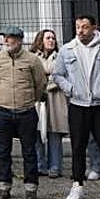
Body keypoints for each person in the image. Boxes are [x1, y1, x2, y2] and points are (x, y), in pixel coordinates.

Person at [53, 15, 100, 199]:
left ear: (94, 28)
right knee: (78, 146)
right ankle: (77, 184)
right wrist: (70, 89)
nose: (80, 30)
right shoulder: (67, 49)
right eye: (78, 26)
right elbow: (58, 74)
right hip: (78, 105)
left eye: (85, 27)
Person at [0, 26, 48, 199]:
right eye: (4, 37)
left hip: (26, 112)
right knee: (3, 151)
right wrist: (1, 98)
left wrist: (29, 100)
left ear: (20, 40)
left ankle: (31, 188)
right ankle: (4, 186)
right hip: (3, 111)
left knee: (29, 151)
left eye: (10, 37)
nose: (6, 41)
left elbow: (40, 84)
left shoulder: (32, 60)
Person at [31, 29, 67, 179]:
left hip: (56, 99)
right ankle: (40, 165)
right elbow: (31, 77)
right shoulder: (33, 57)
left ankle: (55, 167)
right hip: (38, 99)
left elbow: (62, 76)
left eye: (53, 38)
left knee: (54, 133)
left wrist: (46, 80)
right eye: (48, 38)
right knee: (37, 132)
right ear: (41, 40)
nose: (51, 40)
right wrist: (48, 77)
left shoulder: (61, 57)